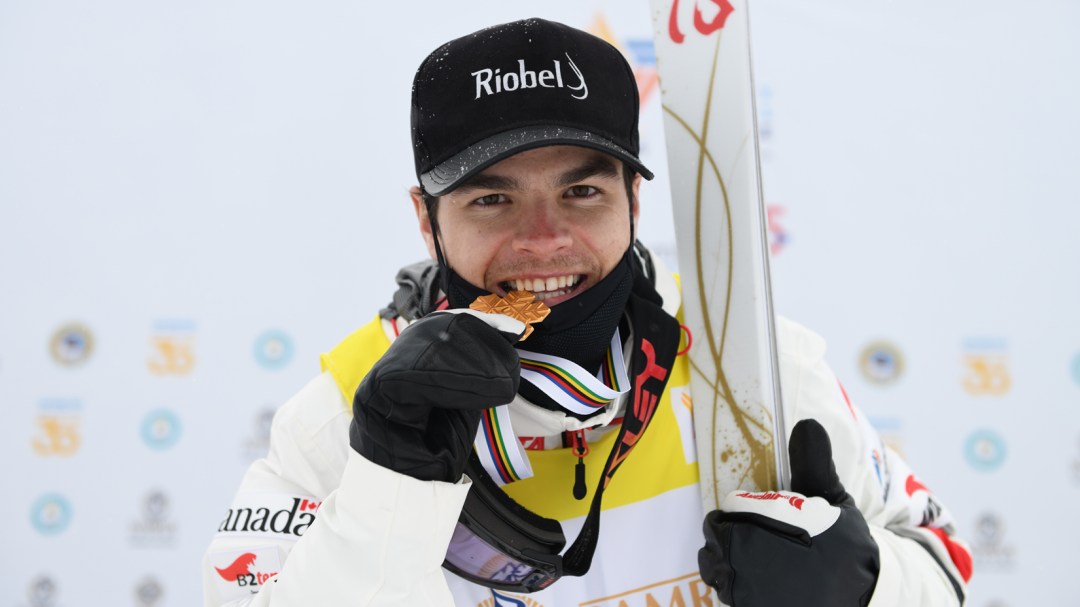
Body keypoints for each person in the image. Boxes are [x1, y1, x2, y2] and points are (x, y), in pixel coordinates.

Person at [202, 17, 972, 606]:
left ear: (634, 201)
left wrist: (864, 587)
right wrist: (386, 486)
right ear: (426, 217)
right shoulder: (350, 408)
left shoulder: (744, 366)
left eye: (582, 191)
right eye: (493, 198)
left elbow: (946, 561)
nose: (544, 241)